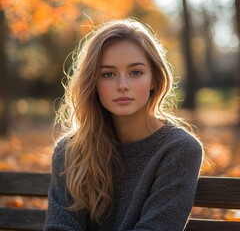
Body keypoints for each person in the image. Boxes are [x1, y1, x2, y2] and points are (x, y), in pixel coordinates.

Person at [44, 18, 203, 231]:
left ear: (154, 79)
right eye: (108, 74)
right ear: (94, 83)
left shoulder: (179, 150)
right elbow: (60, 227)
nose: (122, 86)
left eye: (136, 72)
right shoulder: (70, 151)